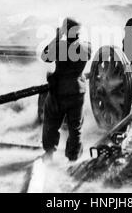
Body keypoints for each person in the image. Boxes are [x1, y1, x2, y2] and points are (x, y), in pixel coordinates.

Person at [41, 17, 91, 161]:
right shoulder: (87, 46)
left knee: (51, 122)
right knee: (75, 127)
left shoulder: (59, 46)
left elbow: (45, 56)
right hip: (77, 91)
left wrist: (57, 38)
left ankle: (49, 152)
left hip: (59, 91)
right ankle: (73, 157)